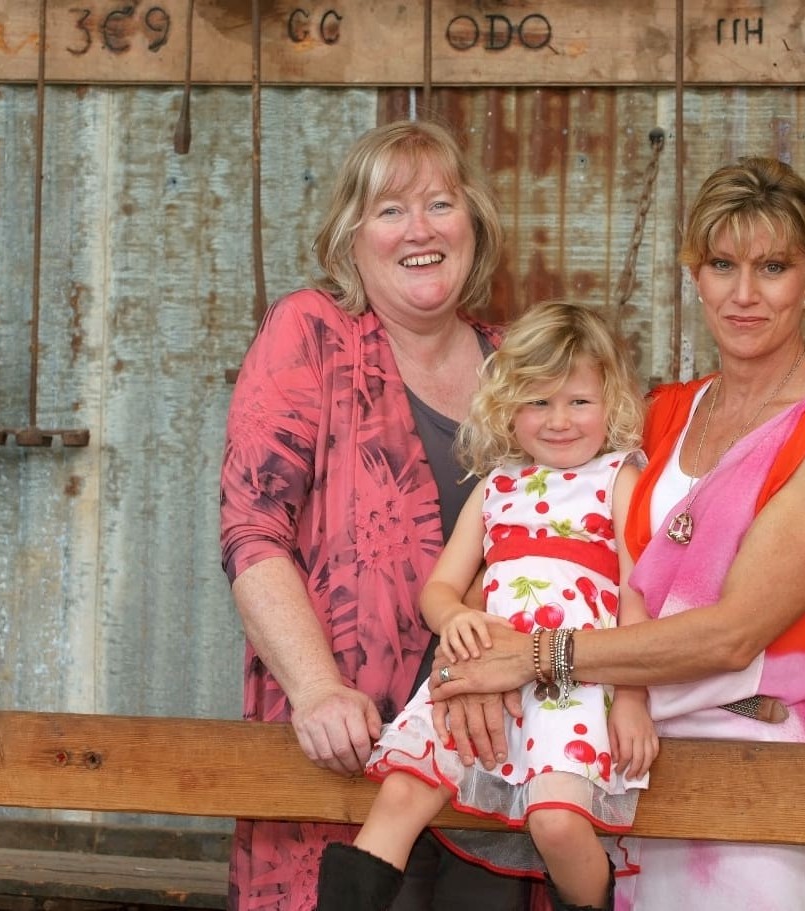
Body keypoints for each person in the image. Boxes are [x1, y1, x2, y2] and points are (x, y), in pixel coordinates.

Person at [427, 155, 805, 910]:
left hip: (752, 765)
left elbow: (729, 637)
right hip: (618, 752)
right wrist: (463, 653)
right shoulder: (658, 413)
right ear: (693, 274)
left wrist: (533, 657)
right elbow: (533, 535)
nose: (742, 293)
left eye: (773, 267)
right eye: (721, 263)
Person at [219, 118, 535, 910]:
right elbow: (252, 531)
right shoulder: (313, 335)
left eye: (439, 203)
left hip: (498, 763)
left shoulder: (525, 370)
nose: (419, 229)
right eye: (389, 210)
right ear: (350, 239)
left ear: (474, 224)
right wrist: (317, 690)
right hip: (347, 758)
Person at [317, 301, 659, 911]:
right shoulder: (497, 485)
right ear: (508, 405)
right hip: (480, 674)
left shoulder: (618, 478)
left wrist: (633, 699)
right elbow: (439, 590)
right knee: (402, 796)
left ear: (612, 402)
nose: (559, 420)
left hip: (571, 683)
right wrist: (456, 618)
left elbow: (637, 594)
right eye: (537, 402)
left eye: (578, 401)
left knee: (556, 823)